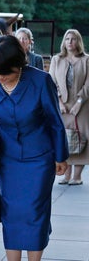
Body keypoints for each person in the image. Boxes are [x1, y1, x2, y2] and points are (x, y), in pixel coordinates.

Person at [0, 35, 68, 261]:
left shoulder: (40, 81)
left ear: (18, 66)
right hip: (8, 158)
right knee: (12, 212)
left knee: (35, 211)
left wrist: (61, 156)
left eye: (2, 73)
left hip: (40, 158)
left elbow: (55, 122)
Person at [49, 29, 89, 185]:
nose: (70, 42)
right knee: (64, 139)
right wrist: (59, 102)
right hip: (62, 105)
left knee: (81, 137)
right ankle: (66, 174)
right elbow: (52, 82)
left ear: (78, 41)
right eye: (67, 39)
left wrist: (79, 102)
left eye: (73, 39)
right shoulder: (56, 59)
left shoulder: (86, 60)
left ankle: (77, 176)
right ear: (63, 42)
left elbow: (88, 84)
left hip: (82, 105)